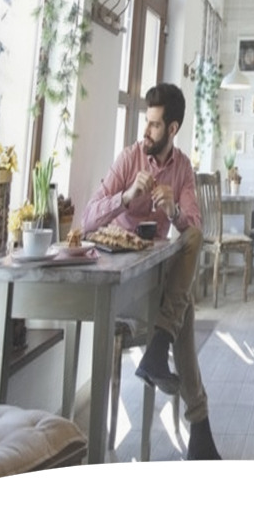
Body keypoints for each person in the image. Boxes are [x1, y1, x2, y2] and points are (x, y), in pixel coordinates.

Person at [81, 83, 220, 461]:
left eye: (155, 125)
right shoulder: (129, 159)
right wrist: (125, 198)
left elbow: (193, 224)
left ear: (172, 129)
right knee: (185, 309)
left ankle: (158, 347)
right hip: (121, 277)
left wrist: (173, 210)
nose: (147, 131)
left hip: (154, 277)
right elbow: (87, 217)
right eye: (147, 122)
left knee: (191, 237)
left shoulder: (183, 169)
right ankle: (199, 426)